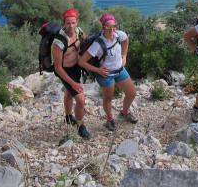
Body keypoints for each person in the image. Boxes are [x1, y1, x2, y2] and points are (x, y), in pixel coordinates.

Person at [78, 13, 137, 131]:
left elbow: (125, 40)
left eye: (114, 26)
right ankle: (109, 120)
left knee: (132, 93)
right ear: (103, 27)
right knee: (108, 98)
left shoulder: (119, 35)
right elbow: (82, 62)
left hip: (120, 70)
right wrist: (97, 70)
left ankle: (124, 112)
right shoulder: (98, 44)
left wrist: (124, 56)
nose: (112, 29)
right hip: (105, 75)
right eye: (109, 27)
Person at [53, 8, 90, 139]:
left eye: (73, 23)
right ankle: (81, 126)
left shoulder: (79, 31)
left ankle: (68, 117)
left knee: (69, 93)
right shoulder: (59, 42)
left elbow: (87, 44)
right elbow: (58, 68)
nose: (71, 26)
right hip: (64, 71)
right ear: (64, 23)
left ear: (77, 22)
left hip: (76, 68)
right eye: (68, 23)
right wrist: (72, 82)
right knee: (81, 100)